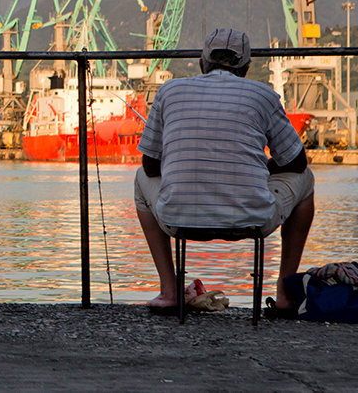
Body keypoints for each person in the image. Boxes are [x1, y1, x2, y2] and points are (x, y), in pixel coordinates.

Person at [134, 28, 315, 314]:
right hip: (252, 220)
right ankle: (284, 294)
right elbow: (297, 162)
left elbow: (149, 165)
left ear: (202, 63)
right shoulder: (264, 95)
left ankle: (169, 292)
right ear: (245, 68)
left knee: (140, 179)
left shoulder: (169, 91)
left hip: (176, 219)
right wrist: (264, 170)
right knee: (307, 180)